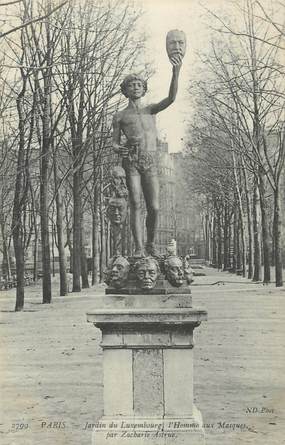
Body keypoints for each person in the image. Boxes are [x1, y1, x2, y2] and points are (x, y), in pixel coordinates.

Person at [112, 57, 182, 257]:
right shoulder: (120, 116)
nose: (135, 87)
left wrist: (175, 72)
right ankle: (139, 248)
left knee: (155, 207)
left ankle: (150, 243)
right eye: (131, 85)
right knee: (135, 203)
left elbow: (171, 98)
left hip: (150, 161)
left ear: (144, 89)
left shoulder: (151, 110)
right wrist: (119, 149)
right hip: (132, 161)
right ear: (125, 90)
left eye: (139, 85)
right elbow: (114, 142)